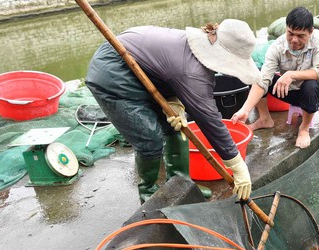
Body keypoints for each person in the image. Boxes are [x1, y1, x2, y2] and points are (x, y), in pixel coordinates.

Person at [85, 19, 259, 203]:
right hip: (113, 70)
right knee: (149, 137)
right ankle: (149, 193)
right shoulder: (192, 70)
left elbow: (169, 70)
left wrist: (175, 102)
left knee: (177, 127)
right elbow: (209, 121)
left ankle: (181, 184)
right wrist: (237, 165)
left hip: (145, 68)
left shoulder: (196, 54)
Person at [231, 7, 319, 149]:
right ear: (286, 28)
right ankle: (265, 119)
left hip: (314, 95)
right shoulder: (277, 46)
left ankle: (304, 129)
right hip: (287, 92)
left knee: (310, 85)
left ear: (311, 32)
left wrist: (291, 74)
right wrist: (246, 109)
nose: (294, 40)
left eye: (301, 36)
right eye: (290, 33)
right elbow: (263, 80)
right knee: (256, 76)